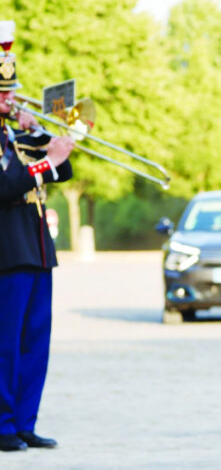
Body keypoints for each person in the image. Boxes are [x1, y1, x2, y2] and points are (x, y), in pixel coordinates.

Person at [0, 23, 74, 452]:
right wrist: (45, 162)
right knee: (5, 345)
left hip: (37, 249)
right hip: (7, 252)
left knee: (34, 344)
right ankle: (3, 424)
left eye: (11, 92)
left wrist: (40, 135)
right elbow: (4, 186)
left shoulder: (15, 134)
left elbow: (63, 171)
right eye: (3, 95)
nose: (10, 100)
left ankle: (24, 421)